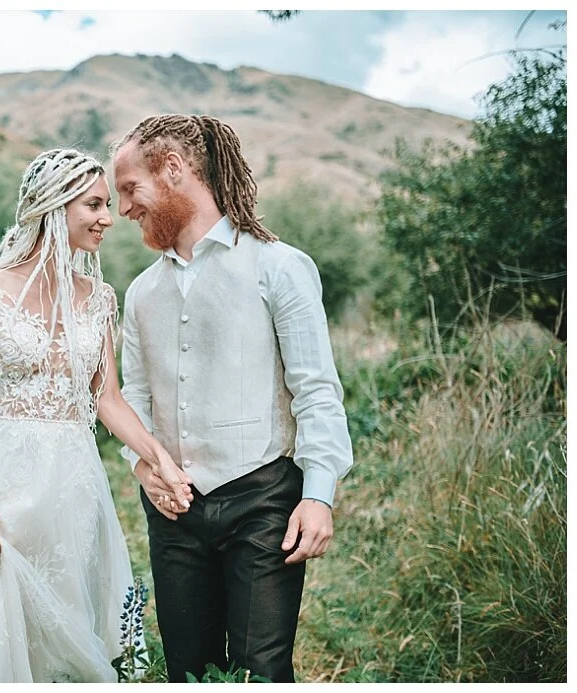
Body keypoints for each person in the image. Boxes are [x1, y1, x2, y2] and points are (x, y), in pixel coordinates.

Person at [0, 148, 191, 682]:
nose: (108, 218)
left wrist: (160, 460)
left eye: (109, 204)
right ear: (54, 206)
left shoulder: (100, 299)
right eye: (94, 205)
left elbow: (106, 399)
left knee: (58, 628)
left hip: (69, 484)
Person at [110, 114, 354, 683]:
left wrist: (318, 496)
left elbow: (316, 389)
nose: (123, 208)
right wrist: (144, 465)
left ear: (172, 170)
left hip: (264, 502)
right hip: (173, 511)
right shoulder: (141, 292)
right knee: (188, 670)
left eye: (129, 189)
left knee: (261, 671)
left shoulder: (279, 267)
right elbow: (135, 399)